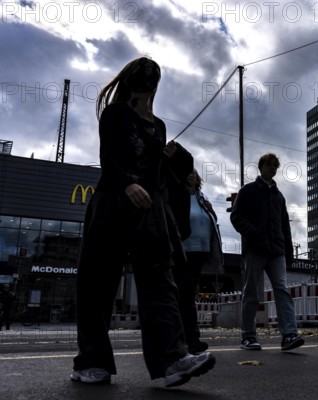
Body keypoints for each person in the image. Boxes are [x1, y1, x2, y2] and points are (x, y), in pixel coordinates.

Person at [71, 57, 215, 387]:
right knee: (98, 283)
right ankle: (91, 361)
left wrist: (170, 158)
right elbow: (108, 158)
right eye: (142, 77)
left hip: (147, 209)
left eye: (152, 79)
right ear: (131, 81)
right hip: (112, 203)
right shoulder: (115, 114)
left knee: (161, 281)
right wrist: (126, 183)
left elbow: (157, 175)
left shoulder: (159, 126)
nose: (147, 83)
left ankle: (171, 361)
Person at [230, 153, 304, 351]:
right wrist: (254, 233)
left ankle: (289, 335)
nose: (273, 168)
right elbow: (236, 217)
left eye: (275, 166)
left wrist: (289, 254)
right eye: (269, 165)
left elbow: (285, 227)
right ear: (260, 167)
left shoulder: (279, 196)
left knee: (282, 290)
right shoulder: (248, 191)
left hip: (277, 252)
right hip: (255, 250)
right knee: (252, 292)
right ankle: (247, 335)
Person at [172, 169, 224, 354]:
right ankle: (191, 340)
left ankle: (187, 338)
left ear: (198, 178)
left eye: (194, 173)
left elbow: (210, 221)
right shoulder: (179, 196)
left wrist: (211, 212)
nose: (191, 175)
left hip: (200, 252)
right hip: (183, 251)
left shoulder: (202, 198)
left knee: (187, 295)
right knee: (185, 294)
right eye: (188, 172)